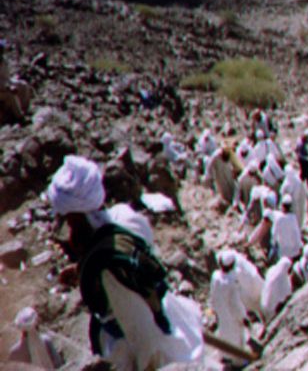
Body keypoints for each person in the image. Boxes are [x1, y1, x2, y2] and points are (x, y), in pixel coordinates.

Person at [46, 155, 204, 371]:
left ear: (77, 217)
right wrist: (80, 268)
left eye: (67, 220)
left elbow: (144, 338)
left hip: (152, 345)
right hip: (168, 311)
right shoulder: (123, 216)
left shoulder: (108, 269)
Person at [209, 252, 248, 354]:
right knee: (235, 337)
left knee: (223, 333)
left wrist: (213, 308)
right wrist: (242, 317)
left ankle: (225, 356)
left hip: (221, 312)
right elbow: (235, 303)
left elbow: (212, 294)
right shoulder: (231, 282)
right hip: (232, 316)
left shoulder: (215, 275)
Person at [270, 195, 303, 263]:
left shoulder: (279, 218)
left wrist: (273, 243)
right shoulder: (293, 218)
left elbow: (274, 233)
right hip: (292, 248)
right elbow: (296, 233)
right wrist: (299, 245)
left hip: (283, 248)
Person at [260, 257, 293, 321]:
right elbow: (286, 293)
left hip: (264, 300)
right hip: (272, 306)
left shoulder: (272, 270)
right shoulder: (282, 279)